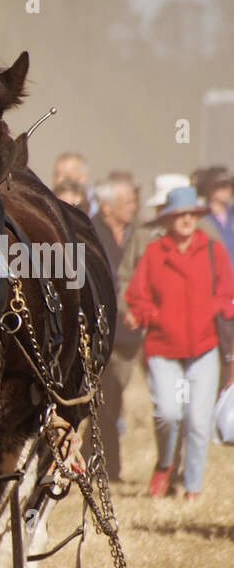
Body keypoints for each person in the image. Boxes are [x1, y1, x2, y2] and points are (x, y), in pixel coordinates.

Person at [124, 185, 234, 500]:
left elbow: (227, 291)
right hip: (163, 349)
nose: (186, 220)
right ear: (168, 220)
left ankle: (192, 487)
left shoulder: (213, 250)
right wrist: (147, 314)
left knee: (198, 422)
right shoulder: (154, 255)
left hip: (204, 348)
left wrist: (214, 307)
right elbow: (136, 297)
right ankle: (164, 464)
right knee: (169, 414)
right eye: (179, 215)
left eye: (191, 214)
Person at [91, 172, 139, 479]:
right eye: (126, 202)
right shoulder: (89, 232)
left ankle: (102, 460)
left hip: (130, 335)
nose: (133, 207)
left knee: (115, 399)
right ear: (107, 206)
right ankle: (109, 468)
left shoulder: (135, 234)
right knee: (104, 400)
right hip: (100, 331)